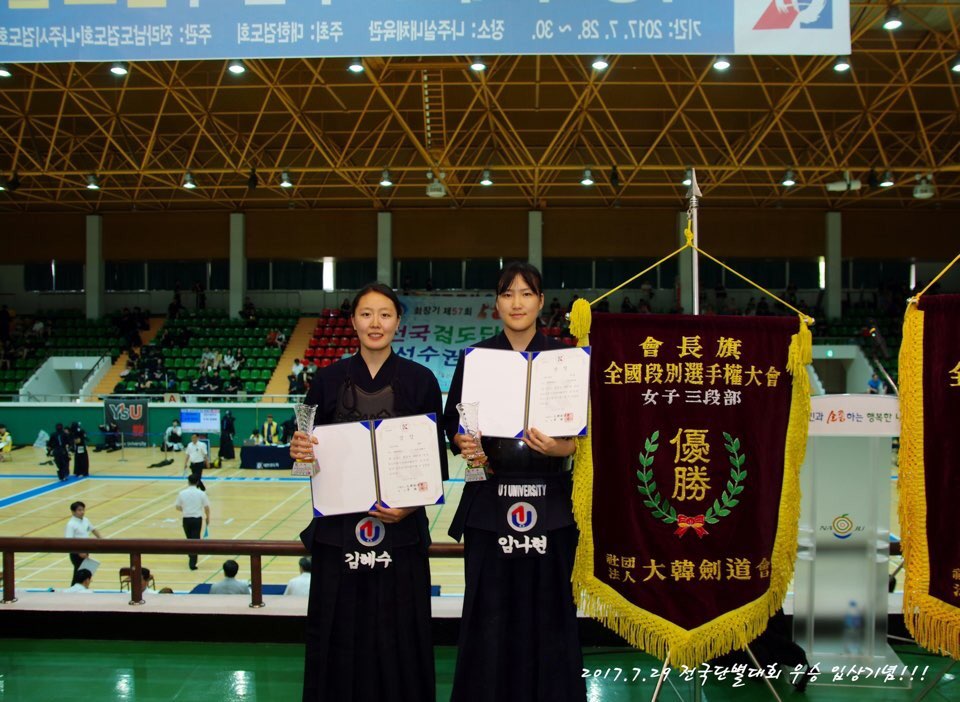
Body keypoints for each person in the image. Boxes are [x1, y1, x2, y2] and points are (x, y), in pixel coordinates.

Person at [289, 282, 447, 702]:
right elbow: (304, 457)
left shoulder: (422, 381)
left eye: (385, 314)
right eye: (366, 314)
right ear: (353, 321)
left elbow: (435, 463)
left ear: (398, 322)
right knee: (337, 635)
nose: (375, 323)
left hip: (401, 534)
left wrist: (411, 506)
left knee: (401, 638)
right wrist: (300, 450)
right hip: (338, 534)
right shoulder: (324, 381)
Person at [443, 261, 585, 702]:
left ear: (541, 302)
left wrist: (566, 449)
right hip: (488, 502)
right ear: (496, 303)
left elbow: (588, 435)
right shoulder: (475, 359)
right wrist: (463, 442)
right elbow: (452, 425)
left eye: (527, 293)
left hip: (554, 505)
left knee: (551, 613)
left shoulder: (567, 360)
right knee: (487, 613)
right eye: (508, 293)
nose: (517, 302)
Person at [175, 473, 210, 571]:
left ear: (188, 482)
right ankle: (192, 562)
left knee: (189, 539)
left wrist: (186, 510)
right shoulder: (201, 493)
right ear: (197, 482)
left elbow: (177, 507)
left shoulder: (182, 493)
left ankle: (191, 558)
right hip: (197, 519)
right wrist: (208, 517)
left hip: (186, 519)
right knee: (195, 540)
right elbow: (206, 507)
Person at [65, 501, 102, 585]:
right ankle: (73, 589)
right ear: (73, 511)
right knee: (79, 572)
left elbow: (93, 529)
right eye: (79, 510)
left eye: (83, 510)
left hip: (85, 550)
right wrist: (79, 552)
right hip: (76, 552)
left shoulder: (85, 520)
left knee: (85, 573)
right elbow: (69, 541)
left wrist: (102, 540)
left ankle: (81, 589)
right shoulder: (71, 524)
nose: (82, 512)